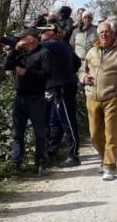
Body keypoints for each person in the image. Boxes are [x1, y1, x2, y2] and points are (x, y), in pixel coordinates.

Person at [80, 22, 117, 181]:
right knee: (95, 135)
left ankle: (109, 166)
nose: (104, 34)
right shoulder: (91, 52)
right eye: (102, 32)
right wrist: (83, 78)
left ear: (113, 34)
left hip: (113, 98)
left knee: (111, 134)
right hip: (92, 98)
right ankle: (104, 158)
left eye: (107, 32)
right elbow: (82, 71)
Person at [1, 28, 52, 174]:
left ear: (32, 38)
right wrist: (15, 50)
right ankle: (16, 164)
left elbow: (47, 74)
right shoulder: (20, 53)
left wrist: (28, 72)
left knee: (39, 132)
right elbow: (7, 66)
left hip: (37, 98)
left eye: (23, 37)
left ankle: (40, 162)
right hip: (20, 98)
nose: (20, 39)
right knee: (18, 132)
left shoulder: (44, 53)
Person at [37, 23, 82, 167]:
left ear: (50, 33)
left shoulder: (49, 45)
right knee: (56, 120)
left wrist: (3, 40)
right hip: (62, 86)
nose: (40, 36)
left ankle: (73, 154)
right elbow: (77, 62)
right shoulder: (64, 45)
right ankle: (52, 150)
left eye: (42, 32)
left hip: (62, 88)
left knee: (67, 120)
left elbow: (29, 46)